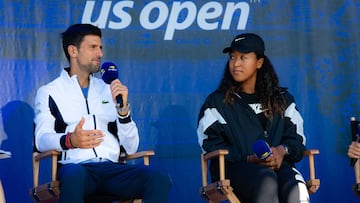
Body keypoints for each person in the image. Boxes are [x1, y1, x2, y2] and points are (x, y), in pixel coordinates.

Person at [33, 23, 171, 203]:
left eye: (100, 47)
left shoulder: (109, 90)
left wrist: (123, 111)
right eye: (93, 47)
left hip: (112, 170)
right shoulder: (50, 92)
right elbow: (41, 139)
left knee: (158, 177)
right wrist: (70, 140)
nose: (100, 54)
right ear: (73, 51)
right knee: (73, 175)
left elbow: (131, 147)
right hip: (77, 168)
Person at [197, 33, 309, 203]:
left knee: (298, 189)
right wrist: (248, 157)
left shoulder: (282, 99)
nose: (236, 63)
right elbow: (209, 145)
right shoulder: (217, 102)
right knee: (266, 181)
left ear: (259, 62)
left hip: (278, 166)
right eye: (232, 57)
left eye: (243, 57)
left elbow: (297, 141)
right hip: (234, 170)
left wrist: (282, 151)